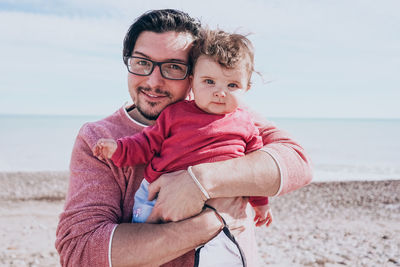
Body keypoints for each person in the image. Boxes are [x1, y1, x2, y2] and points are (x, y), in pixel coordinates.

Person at [55, 9, 312, 267]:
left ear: (192, 74)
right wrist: (214, 220)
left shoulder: (229, 113)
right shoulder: (98, 138)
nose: (154, 81)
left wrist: (200, 181)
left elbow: (297, 162)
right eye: (142, 62)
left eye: (173, 67)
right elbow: (80, 252)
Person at [92, 28, 273, 266]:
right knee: (145, 242)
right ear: (192, 83)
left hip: (216, 197)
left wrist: (261, 203)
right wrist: (118, 149)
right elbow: (146, 143)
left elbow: (256, 166)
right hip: (156, 193)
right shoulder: (175, 114)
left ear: (246, 88)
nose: (220, 92)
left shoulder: (246, 122)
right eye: (209, 82)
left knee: (220, 249)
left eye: (232, 85)